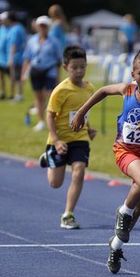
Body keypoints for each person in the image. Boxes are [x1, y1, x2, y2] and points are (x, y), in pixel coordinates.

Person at [71, 44, 140, 274]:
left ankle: (116, 246)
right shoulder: (127, 90)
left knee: (139, 209)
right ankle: (123, 212)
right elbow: (101, 92)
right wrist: (82, 111)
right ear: (133, 75)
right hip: (125, 151)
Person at [39, 45, 97, 229]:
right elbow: (49, 115)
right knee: (55, 183)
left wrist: (88, 128)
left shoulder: (90, 89)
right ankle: (48, 158)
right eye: (75, 67)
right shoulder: (60, 91)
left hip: (79, 138)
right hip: (59, 140)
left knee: (79, 171)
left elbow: (82, 113)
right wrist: (56, 140)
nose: (79, 71)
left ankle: (68, 214)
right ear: (65, 67)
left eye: (83, 66)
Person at [22, 15, 62, 132]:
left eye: (45, 26)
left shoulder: (54, 41)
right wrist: (24, 73)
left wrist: (58, 76)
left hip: (50, 70)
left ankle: (53, 121)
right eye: (41, 26)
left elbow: (59, 60)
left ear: (48, 27)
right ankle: (41, 121)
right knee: (38, 96)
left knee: (51, 97)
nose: (42, 28)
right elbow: (27, 58)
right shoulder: (32, 40)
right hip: (36, 70)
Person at [5, 11, 26, 102]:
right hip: (20, 56)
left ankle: (19, 95)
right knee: (17, 76)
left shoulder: (15, 29)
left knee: (17, 77)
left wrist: (11, 58)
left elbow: (14, 44)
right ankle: (18, 94)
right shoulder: (19, 27)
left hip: (17, 57)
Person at [48, 4, 70, 82]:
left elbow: (52, 35)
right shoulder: (58, 22)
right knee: (56, 69)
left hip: (56, 48)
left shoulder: (57, 23)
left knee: (55, 69)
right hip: (58, 48)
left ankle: (55, 84)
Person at [0, 12, 10, 100]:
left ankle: (12, 93)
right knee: (1, 76)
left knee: (12, 77)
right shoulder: (1, 28)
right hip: (0, 57)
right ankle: (2, 92)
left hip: (7, 57)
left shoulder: (11, 29)